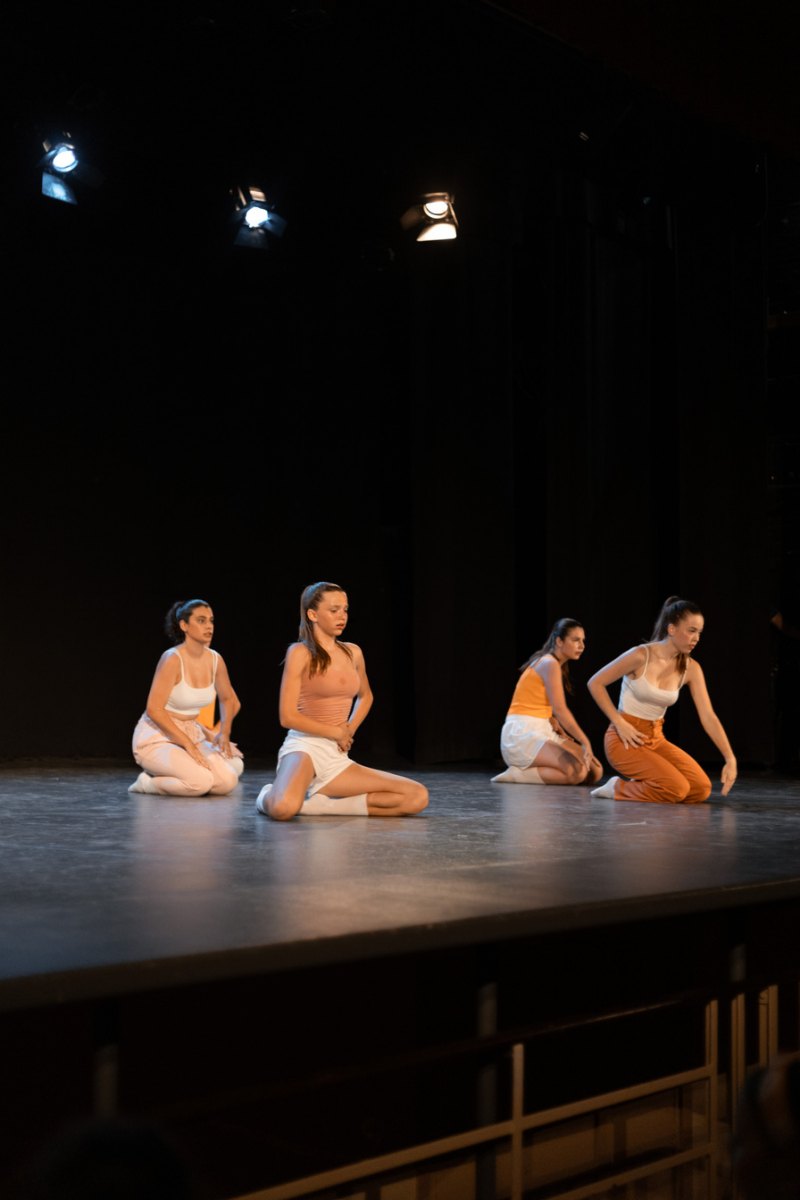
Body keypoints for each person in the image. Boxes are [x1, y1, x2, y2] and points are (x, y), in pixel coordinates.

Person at [256, 581, 428, 819]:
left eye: (345, 610)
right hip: (305, 746)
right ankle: (267, 795)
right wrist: (336, 732)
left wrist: (348, 730)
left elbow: (366, 696)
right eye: (334, 610)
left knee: (417, 797)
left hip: (335, 753)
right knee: (282, 809)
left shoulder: (353, 652)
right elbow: (287, 716)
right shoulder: (299, 653)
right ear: (313, 614)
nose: (342, 616)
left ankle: (319, 807)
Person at [586, 595, 736, 803]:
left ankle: (646, 784)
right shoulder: (641, 655)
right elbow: (595, 683)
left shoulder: (691, 668)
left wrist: (730, 758)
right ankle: (617, 787)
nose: (696, 638)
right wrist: (619, 722)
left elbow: (708, 716)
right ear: (672, 629)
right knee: (677, 789)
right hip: (624, 739)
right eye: (691, 631)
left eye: (699, 633)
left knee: (700, 789)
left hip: (656, 738)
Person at [129, 599, 243, 796]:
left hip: (192, 732)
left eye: (211, 621)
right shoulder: (172, 659)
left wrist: (223, 732)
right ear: (184, 625)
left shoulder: (215, 660)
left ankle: (181, 772)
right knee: (200, 783)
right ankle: (147, 783)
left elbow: (229, 700)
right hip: (158, 736)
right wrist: (187, 743)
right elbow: (154, 709)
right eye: (201, 620)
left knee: (227, 782)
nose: (209, 626)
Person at [491, 618, 603, 786]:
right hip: (523, 733)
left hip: (542, 728)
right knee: (576, 772)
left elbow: (537, 700)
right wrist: (584, 741)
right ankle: (517, 774)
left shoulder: (554, 664)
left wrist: (551, 719)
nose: (581, 646)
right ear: (559, 641)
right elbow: (560, 709)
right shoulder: (549, 663)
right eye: (575, 640)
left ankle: (536, 770)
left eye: (583, 641)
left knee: (595, 771)